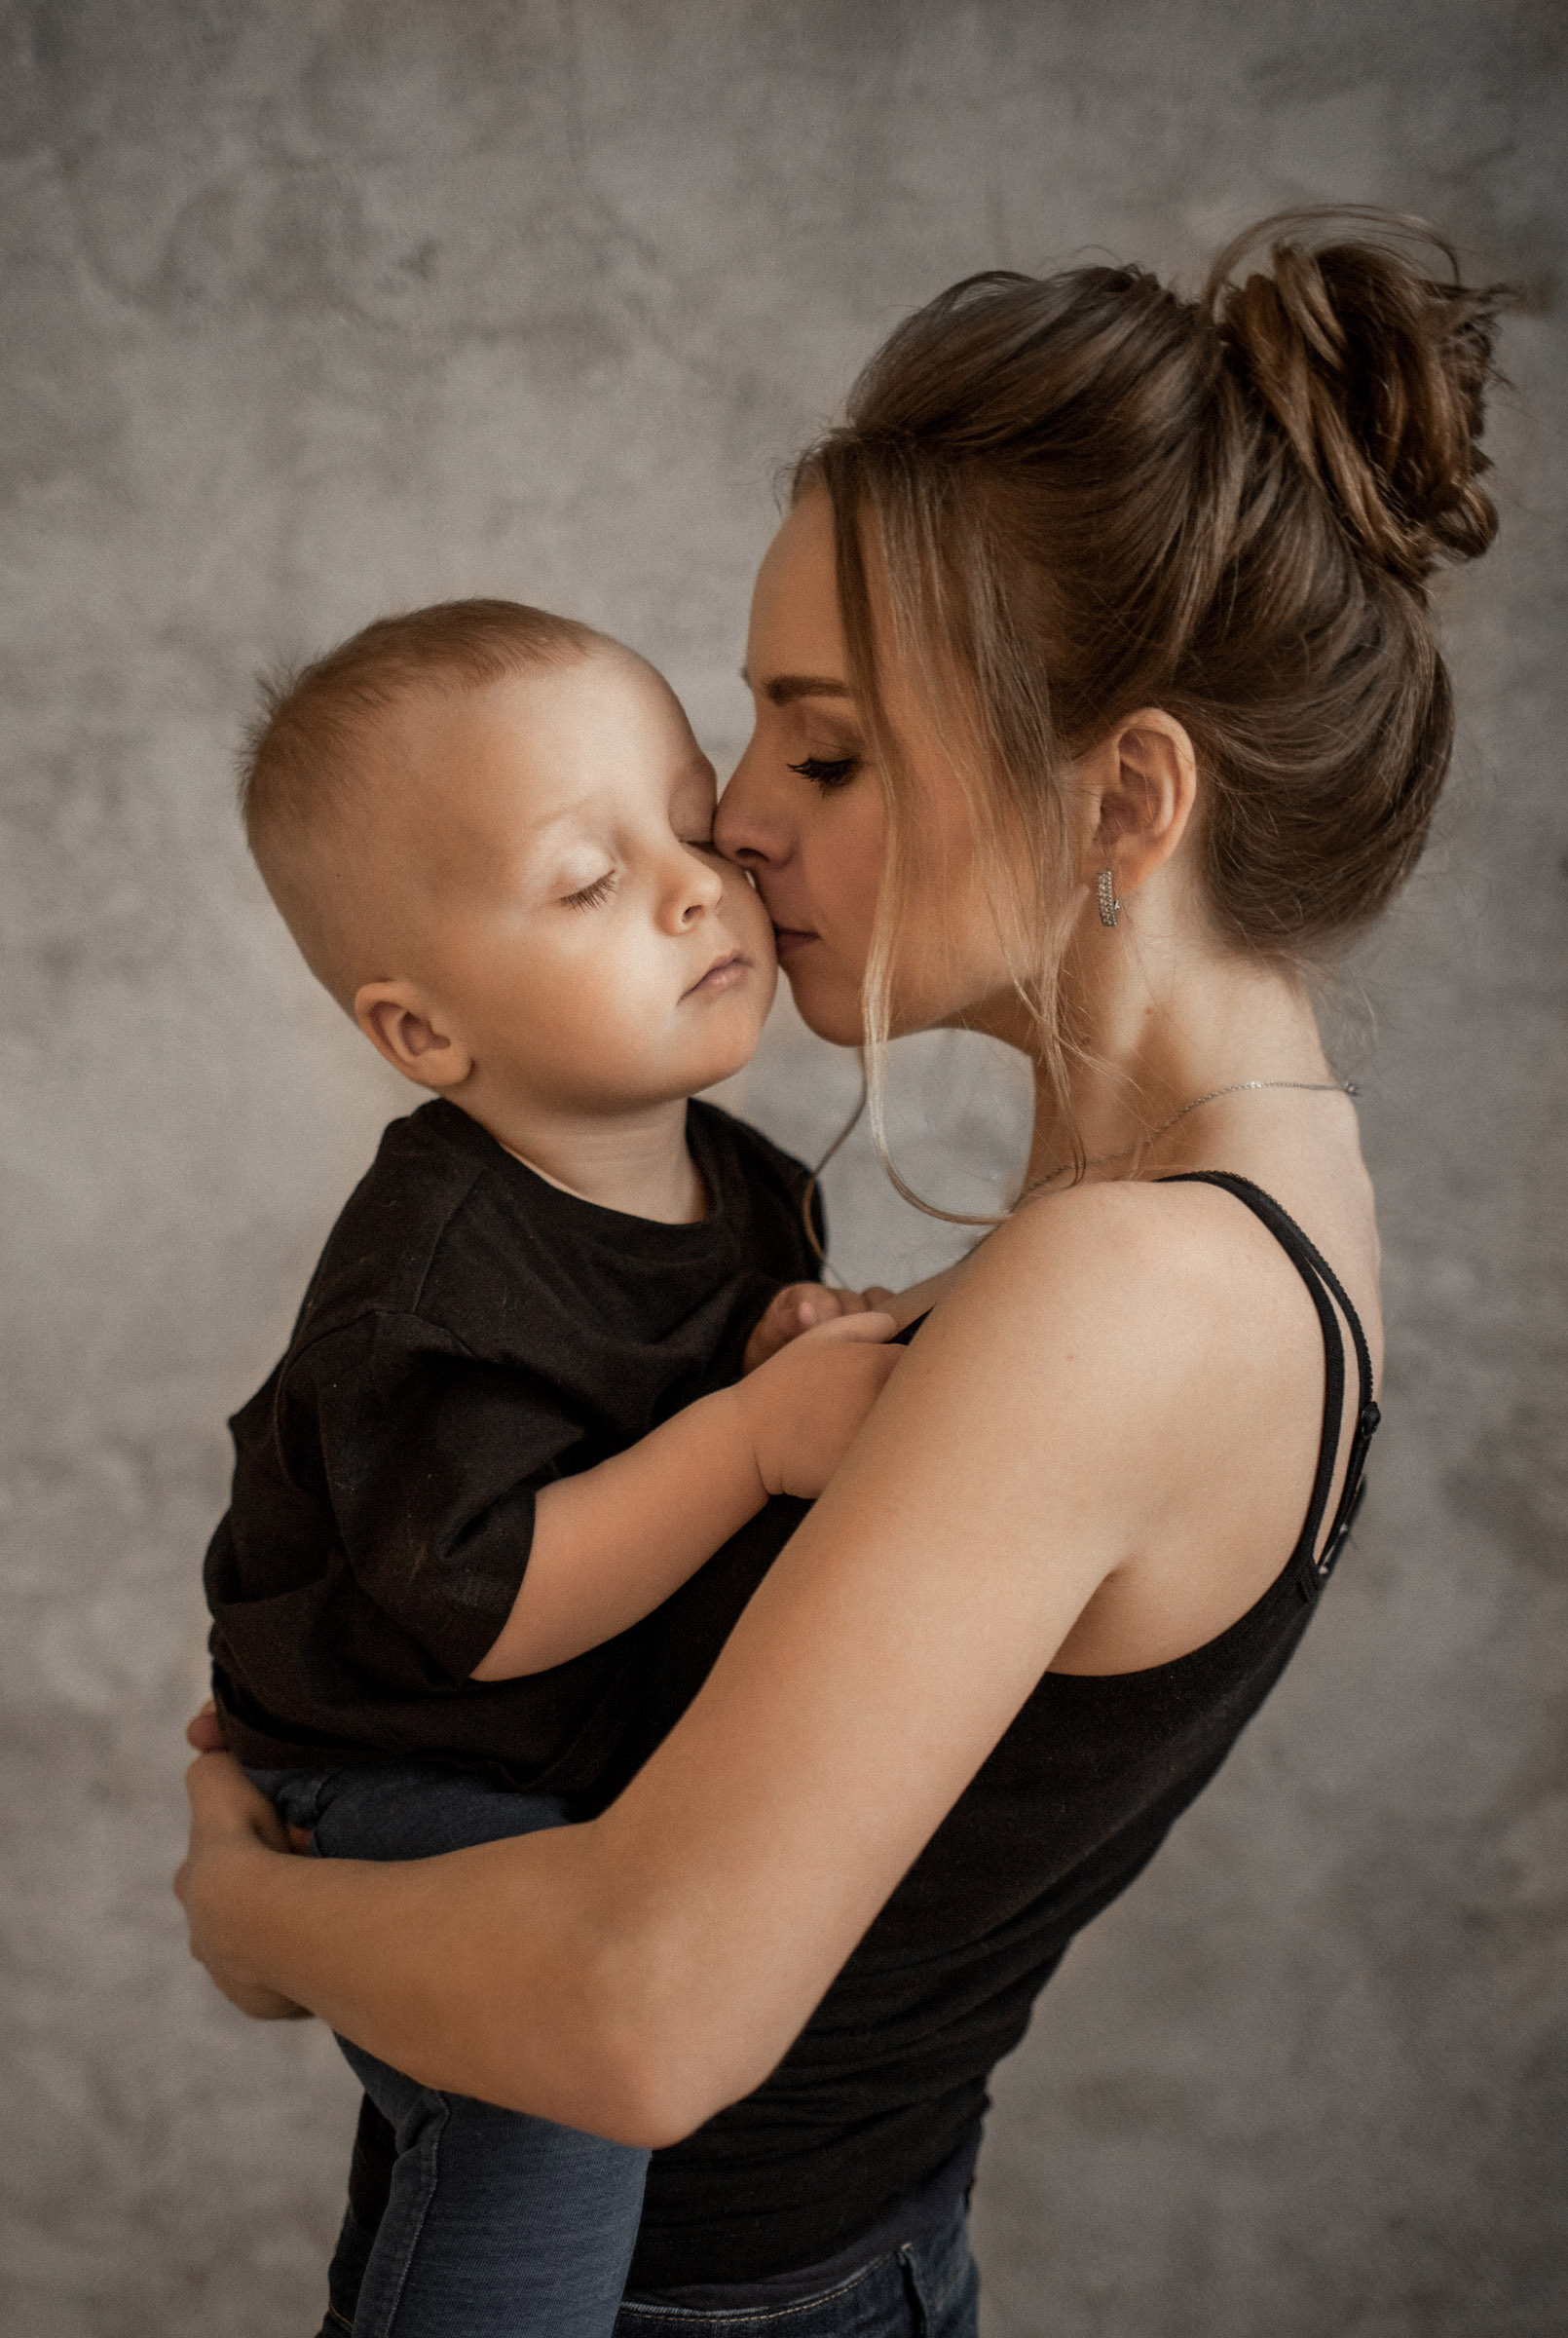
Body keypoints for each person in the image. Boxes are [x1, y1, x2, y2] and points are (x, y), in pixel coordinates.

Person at [177, 211, 1507, 2337]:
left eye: (828, 748)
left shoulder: (1134, 1289)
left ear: (1124, 801)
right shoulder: (1247, 1214)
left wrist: (256, 1911)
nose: (732, 819)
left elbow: (639, 2019)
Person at [203, 598, 902, 2337]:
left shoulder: (744, 1179)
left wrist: (767, 1347)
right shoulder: (432, 1274)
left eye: (687, 822)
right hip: (391, 1764)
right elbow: (496, 1600)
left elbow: (660, 1414)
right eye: (588, 883)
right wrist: (749, 1437)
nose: (693, 885)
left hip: (561, 1776)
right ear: (425, 1035)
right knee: (547, 2100)